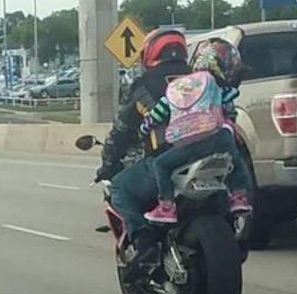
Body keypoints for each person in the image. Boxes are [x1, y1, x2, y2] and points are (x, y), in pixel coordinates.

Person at [96, 28, 191, 274]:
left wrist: (108, 163)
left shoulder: (145, 85)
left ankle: (145, 242)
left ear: (150, 53)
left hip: (166, 159)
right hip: (208, 155)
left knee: (120, 188)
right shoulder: (201, 77)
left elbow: (122, 130)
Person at [140, 38, 253, 224]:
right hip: (218, 138)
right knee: (236, 160)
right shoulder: (218, 87)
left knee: (160, 165)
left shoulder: (177, 87)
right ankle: (239, 197)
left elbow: (156, 115)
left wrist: (144, 129)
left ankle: (167, 206)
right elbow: (229, 108)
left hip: (187, 143)